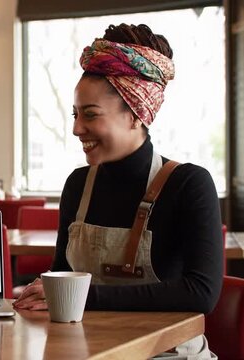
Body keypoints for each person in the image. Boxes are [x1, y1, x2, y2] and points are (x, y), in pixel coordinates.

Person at [12, 24, 223, 358]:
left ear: (136, 115)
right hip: (89, 351)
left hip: (169, 354)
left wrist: (83, 297)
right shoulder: (77, 185)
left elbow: (201, 293)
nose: (76, 128)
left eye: (91, 115)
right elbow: (62, 275)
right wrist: (33, 292)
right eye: (75, 114)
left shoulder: (189, 184)